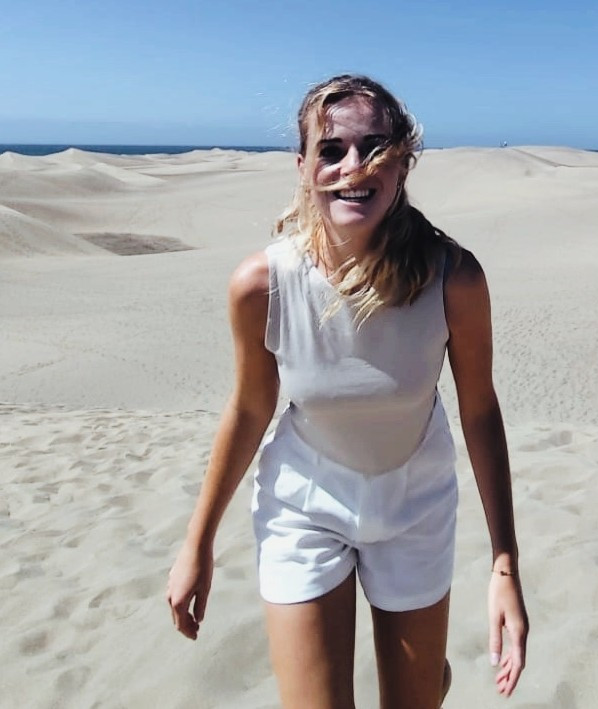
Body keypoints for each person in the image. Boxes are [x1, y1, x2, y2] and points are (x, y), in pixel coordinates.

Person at [167, 74, 528, 708]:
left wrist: (505, 567)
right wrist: (197, 543)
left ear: (403, 163)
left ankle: (426, 679)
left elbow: (480, 412)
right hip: (304, 502)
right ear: (303, 167)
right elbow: (250, 407)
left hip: (415, 502)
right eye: (331, 150)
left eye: (375, 147)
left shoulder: (454, 279)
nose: (353, 167)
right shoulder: (262, 284)